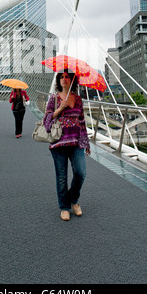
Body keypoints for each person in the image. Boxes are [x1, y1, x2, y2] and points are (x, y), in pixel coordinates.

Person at [43, 70, 91, 221]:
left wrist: (86, 143)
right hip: (59, 144)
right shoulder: (54, 99)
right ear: (59, 81)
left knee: (80, 173)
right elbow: (46, 121)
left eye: (67, 77)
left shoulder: (78, 99)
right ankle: (64, 207)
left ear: (72, 81)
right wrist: (60, 108)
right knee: (61, 177)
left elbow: (82, 122)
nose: (64, 79)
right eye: (61, 77)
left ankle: (73, 199)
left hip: (76, 142)